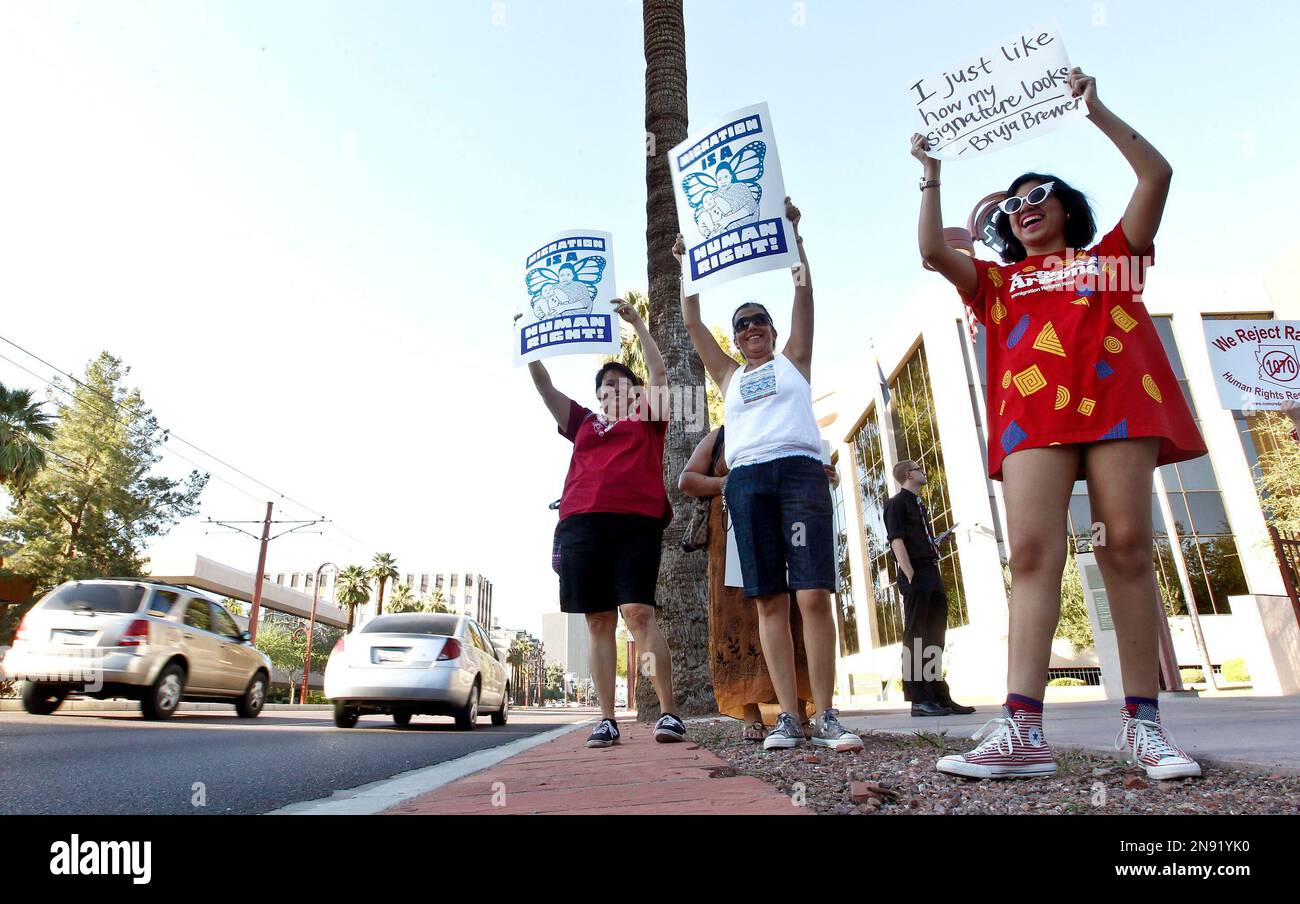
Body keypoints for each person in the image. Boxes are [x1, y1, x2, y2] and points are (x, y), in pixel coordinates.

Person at [912, 68, 1205, 780]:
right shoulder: (997, 285)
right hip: (1032, 419)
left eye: (1038, 195)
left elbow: (1156, 174)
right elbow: (931, 251)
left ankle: (1143, 726)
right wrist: (931, 174)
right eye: (1012, 204)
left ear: (1067, 208)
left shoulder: (1111, 260)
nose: (1024, 207)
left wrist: (1094, 109)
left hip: (1117, 404)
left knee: (1127, 546)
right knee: (1034, 556)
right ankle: (1022, 730)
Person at [677, 196, 863, 753]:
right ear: (734, 339)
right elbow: (690, 320)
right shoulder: (728, 376)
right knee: (768, 602)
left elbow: (804, 292)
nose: (751, 327)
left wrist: (795, 237)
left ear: (775, 332)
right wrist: (687, 264)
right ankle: (787, 718)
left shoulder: (794, 362)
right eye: (742, 324)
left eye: (760, 321)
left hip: (801, 474)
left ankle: (826, 714)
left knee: (812, 595)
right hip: (748, 482)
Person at [527, 298, 686, 748]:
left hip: (635, 522)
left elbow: (659, 374)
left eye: (621, 384)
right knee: (598, 620)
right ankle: (606, 719)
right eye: (605, 387)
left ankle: (668, 712)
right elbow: (545, 389)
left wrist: (637, 323)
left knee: (637, 614)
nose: (612, 391)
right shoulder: (582, 423)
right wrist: (530, 347)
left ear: (634, 392)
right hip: (581, 523)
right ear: (597, 397)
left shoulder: (647, 418)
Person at [680, 426, 815, 741]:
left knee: (790, 610)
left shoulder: (781, 422)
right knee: (736, 621)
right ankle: (750, 714)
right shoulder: (721, 435)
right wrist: (729, 482)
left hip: (781, 525)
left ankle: (796, 709)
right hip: (728, 535)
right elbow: (686, 479)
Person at [884, 460, 975, 717]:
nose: (924, 472)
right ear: (909, 474)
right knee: (916, 636)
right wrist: (909, 572)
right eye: (919, 469)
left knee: (935, 635)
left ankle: (938, 695)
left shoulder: (919, 505)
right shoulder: (896, 503)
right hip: (915, 572)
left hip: (931, 571)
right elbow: (896, 540)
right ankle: (919, 699)